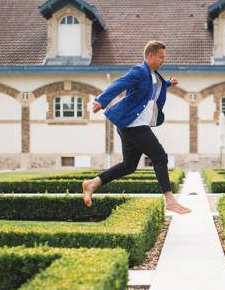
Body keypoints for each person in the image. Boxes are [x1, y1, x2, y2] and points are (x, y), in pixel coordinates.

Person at [82, 40, 191, 214]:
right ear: (150, 56)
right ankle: (170, 200)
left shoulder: (153, 75)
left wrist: (169, 83)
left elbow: (153, 87)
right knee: (160, 157)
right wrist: (102, 100)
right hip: (134, 124)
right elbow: (120, 84)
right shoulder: (140, 71)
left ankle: (92, 183)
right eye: (161, 57)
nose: (164, 60)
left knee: (129, 165)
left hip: (129, 124)